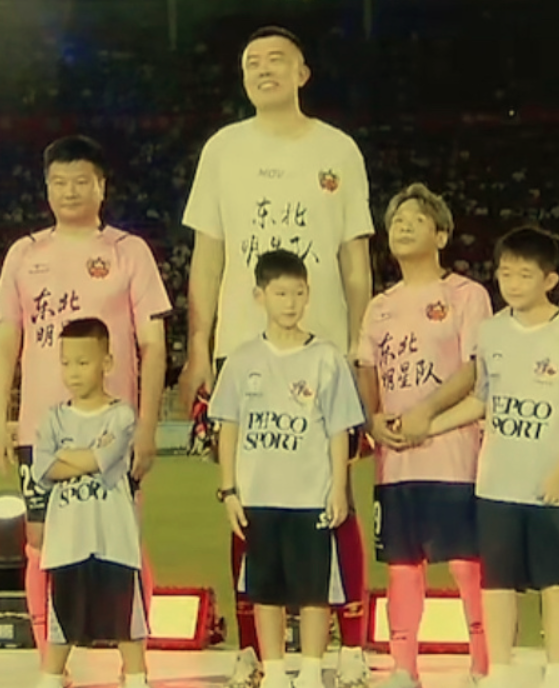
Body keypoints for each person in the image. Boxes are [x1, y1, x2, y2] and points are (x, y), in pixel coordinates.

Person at [179, 26, 374, 688]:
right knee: (247, 499)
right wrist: (199, 348)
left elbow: (354, 259)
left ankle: (351, 647)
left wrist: (360, 346)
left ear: (302, 72)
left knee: (336, 495)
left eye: (276, 61)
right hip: (243, 349)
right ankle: (253, 649)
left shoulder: (337, 150)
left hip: (323, 350)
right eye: (251, 63)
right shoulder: (223, 149)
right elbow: (208, 258)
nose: (263, 70)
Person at [0, 135, 171, 661]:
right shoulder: (25, 253)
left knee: (121, 538)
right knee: (41, 542)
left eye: (80, 182)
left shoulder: (128, 251)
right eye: (59, 182)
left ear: (101, 186)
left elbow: (153, 344)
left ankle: (132, 660)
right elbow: (5, 339)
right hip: (41, 430)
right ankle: (50, 658)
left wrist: (148, 427)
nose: (69, 192)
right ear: (46, 188)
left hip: (113, 430)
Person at [424, 227, 559, 688]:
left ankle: (556, 674)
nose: (511, 283)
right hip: (497, 483)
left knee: (557, 582)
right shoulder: (491, 333)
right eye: (505, 273)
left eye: (524, 275)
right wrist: (427, 428)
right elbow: (482, 400)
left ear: (549, 280)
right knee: (498, 581)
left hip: (555, 489)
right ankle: (501, 671)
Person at [356, 184, 491, 688]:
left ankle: (484, 665)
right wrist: (373, 419)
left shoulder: (466, 295)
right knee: (402, 565)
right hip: (396, 459)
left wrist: (426, 412)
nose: (404, 226)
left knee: (467, 565)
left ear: (441, 235)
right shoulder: (379, 306)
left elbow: (475, 368)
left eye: (416, 219)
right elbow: (367, 367)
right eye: (397, 221)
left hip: (453, 453)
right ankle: (403, 668)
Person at [210, 250, 364, 688]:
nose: (290, 303)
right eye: (280, 294)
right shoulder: (242, 360)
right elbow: (228, 428)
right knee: (266, 590)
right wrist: (229, 490)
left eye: (298, 293)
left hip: (310, 495)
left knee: (315, 589)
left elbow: (339, 430)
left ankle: (312, 669)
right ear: (260, 296)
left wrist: (338, 488)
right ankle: (275, 671)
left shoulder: (326, 358)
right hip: (259, 496)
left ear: (308, 295)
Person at [31, 317, 148, 688]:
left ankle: (136, 678)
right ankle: (51, 678)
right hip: (67, 540)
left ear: (106, 363)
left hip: (113, 539)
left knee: (126, 622)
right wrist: (86, 457)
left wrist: (67, 457)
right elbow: (42, 468)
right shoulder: (53, 417)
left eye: (83, 362)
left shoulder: (121, 414)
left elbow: (100, 459)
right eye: (66, 363)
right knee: (61, 622)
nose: (73, 372)